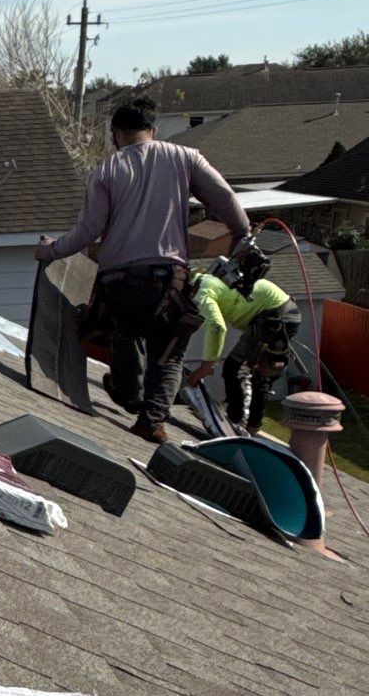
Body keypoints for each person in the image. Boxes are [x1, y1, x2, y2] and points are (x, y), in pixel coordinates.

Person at [35, 96, 250, 443]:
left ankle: (127, 394)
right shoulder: (185, 157)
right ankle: (151, 420)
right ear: (153, 129)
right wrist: (242, 234)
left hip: (117, 280)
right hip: (167, 280)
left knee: (125, 335)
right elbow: (223, 197)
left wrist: (51, 251)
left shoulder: (105, 171)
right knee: (169, 352)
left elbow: (88, 231)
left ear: (115, 134)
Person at [185, 248, 301, 435]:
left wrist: (204, 368)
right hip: (281, 312)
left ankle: (240, 423)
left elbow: (216, 327)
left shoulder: (201, 294)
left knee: (242, 370)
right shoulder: (208, 280)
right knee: (247, 370)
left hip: (275, 316)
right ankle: (242, 421)